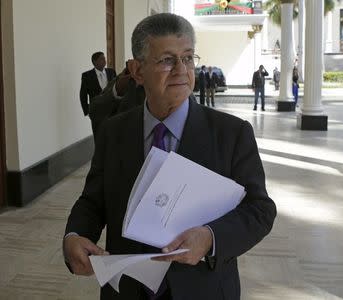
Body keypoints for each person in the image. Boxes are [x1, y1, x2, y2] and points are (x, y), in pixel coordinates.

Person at [63, 13, 276, 300]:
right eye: (166, 60)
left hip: (204, 289)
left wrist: (211, 238)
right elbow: (93, 201)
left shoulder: (231, 134)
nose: (180, 69)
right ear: (138, 71)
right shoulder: (114, 132)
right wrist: (74, 236)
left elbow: (259, 210)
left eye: (188, 58)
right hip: (128, 289)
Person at [79, 51, 116, 116]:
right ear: (94, 62)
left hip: (112, 109)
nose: (105, 60)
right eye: (101, 59)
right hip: (96, 110)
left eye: (104, 58)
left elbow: (116, 88)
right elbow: (83, 94)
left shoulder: (111, 72)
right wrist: (87, 110)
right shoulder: (87, 76)